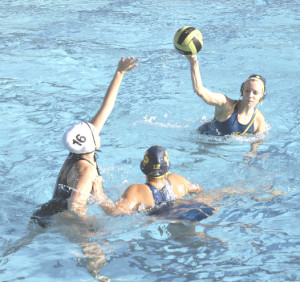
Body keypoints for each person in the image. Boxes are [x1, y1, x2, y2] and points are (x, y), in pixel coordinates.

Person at [30, 56, 139, 228]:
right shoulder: (87, 169)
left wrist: (119, 73)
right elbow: (75, 208)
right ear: (91, 143)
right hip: (61, 219)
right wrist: (96, 223)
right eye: (95, 133)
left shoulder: (78, 151)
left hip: (45, 212)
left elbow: (107, 107)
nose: (98, 131)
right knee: (97, 251)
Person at [93, 145, 215, 221]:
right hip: (188, 212)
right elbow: (198, 189)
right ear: (167, 168)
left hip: (164, 222)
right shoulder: (177, 181)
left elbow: (116, 213)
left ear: (144, 168)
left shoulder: (136, 191)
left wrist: (99, 193)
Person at [185, 55, 267, 136]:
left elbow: (256, 144)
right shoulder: (225, 104)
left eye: (255, 93)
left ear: (262, 96)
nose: (250, 95)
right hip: (203, 139)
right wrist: (194, 61)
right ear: (242, 91)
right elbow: (199, 90)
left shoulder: (259, 119)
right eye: (247, 91)